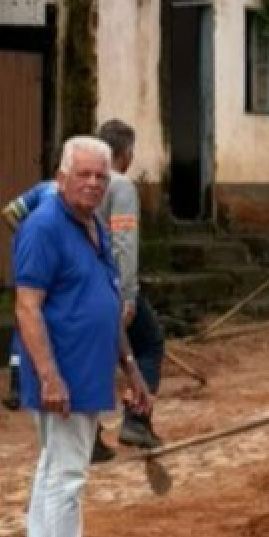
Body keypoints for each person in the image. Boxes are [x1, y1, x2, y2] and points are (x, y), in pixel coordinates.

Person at [12, 137, 151, 537]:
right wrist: (50, 376)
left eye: (100, 176)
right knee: (68, 471)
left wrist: (130, 368)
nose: (92, 184)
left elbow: (107, 300)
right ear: (61, 177)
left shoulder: (93, 225)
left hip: (88, 368)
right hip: (63, 371)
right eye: (83, 175)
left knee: (54, 466)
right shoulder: (44, 227)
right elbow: (27, 307)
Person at [97, 119, 165, 449]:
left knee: (93, 354)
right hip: (111, 284)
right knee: (149, 344)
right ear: (126, 153)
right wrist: (127, 295)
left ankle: (88, 434)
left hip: (85, 283)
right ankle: (137, 420)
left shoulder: (76, 183)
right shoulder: (120, 185)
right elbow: (124, 242)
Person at [0, 178, 56, 413]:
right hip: (47, 268)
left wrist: (25, 235)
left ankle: (17, 387)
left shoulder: (44, 190)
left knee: (24, 321)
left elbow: (9, 212)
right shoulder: (60, 195)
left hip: (30, 267)